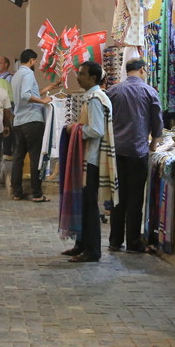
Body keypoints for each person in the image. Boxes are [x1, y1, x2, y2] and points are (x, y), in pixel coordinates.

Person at [106, 58, 163, 253]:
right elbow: (157, 122)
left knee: (118, 196)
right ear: (142, 70)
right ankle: (133, 242)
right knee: (135, 197)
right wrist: (154, 144)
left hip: (117, 150)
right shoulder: (149, 91)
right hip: (138, 151)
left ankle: (114, 241)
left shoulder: (114, 91)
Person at [64, 61, 118, 264]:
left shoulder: (96, 99)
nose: (78, 77)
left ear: (93, 78)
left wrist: (75, 129)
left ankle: (92, 250)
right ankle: (82, 244)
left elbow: (96, 130)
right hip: (88, 157)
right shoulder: (93, 97)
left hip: (92, 159)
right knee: (84, 204)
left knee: (89, 206)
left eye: (82, 74)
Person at [10, 50, 58, 202]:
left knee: (18, 157)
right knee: (35, 157)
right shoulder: (28, 74)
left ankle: (17, 192)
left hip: (18, 121)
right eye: (35, 61)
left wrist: (49, 87)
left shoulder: (16, 75)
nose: (35, 64)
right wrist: (43, 101)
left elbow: (29, 94)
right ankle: (37, 193)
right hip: (32, 120)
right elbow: (26, 95)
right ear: (31, 61)